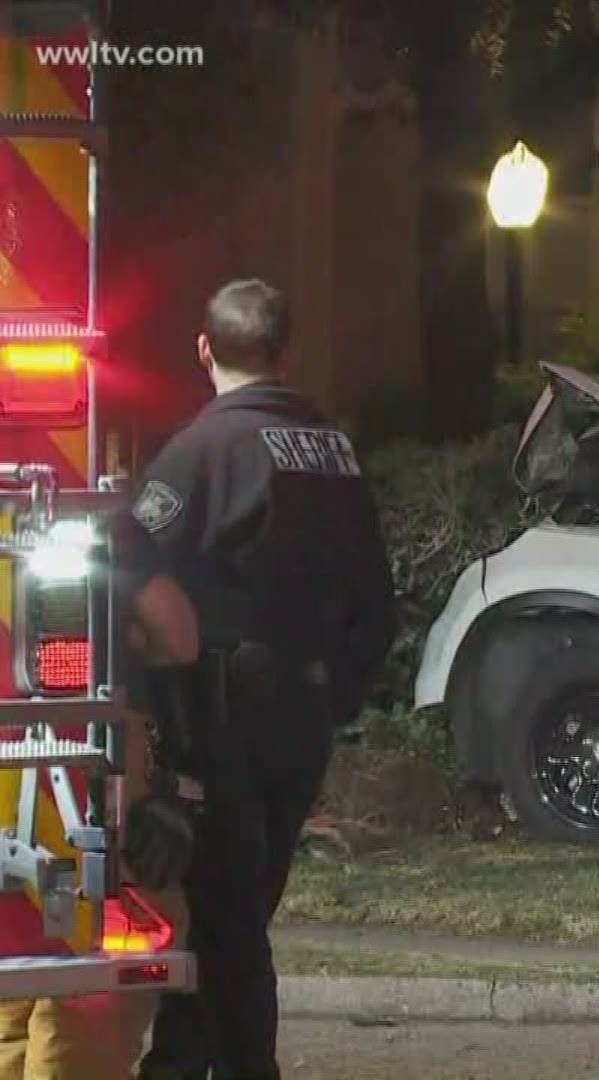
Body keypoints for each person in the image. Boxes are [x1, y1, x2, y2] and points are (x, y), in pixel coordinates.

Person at [130, 278, 395, 1080]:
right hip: (302, 719)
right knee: (233, 912)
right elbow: (377, 605)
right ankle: (174, 1067)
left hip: (223, 718)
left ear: (206, 350)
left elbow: (129, 561)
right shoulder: (335, 452)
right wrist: (332, 694)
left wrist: (152, 698)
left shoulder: (203, 451)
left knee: (229, 927)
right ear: (287, 350)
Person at [0, 524, 203, 1079]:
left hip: (20, 881)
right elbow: (178, 631)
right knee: (79, 1034)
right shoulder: (85, 522)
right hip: (98, 840)